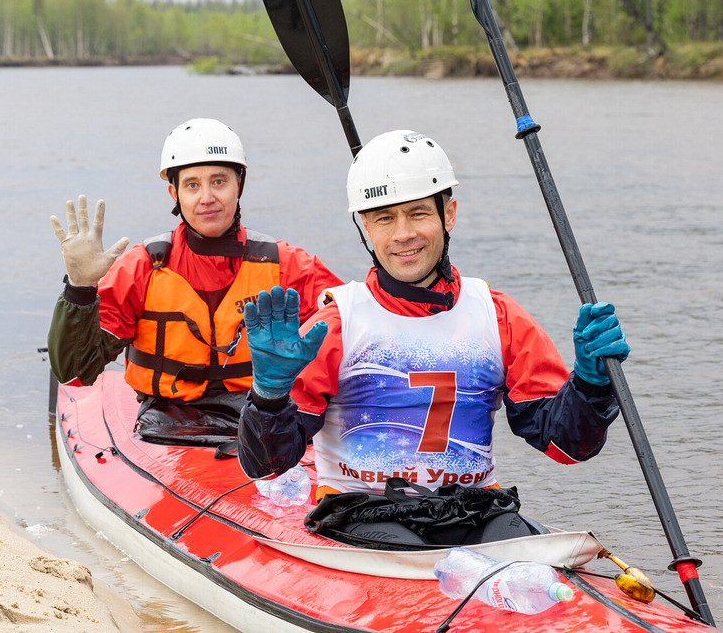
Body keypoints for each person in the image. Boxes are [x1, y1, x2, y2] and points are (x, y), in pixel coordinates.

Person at [237, 129, 628, 546]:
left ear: (450, 214)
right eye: (385, 218)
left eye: (418, 213)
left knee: (519, 549)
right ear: (366, 228)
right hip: (360, 509)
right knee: (408, 550)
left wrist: (590, 385)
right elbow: (267, 465)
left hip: (474, 507)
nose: (403, 234)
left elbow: (567, 447)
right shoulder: (336, 324)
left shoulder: (499, 316)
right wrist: (269, 396)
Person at [47, 118, 341, 445]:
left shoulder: (287, 265)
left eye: (219, 181)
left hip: (264, 418)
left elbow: (355, 327)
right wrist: (80, 288)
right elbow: (75, 371)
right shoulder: (142, 267)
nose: (206, 197)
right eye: (192, 185)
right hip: (166, 423)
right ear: (174, 192)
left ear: (239, 184)